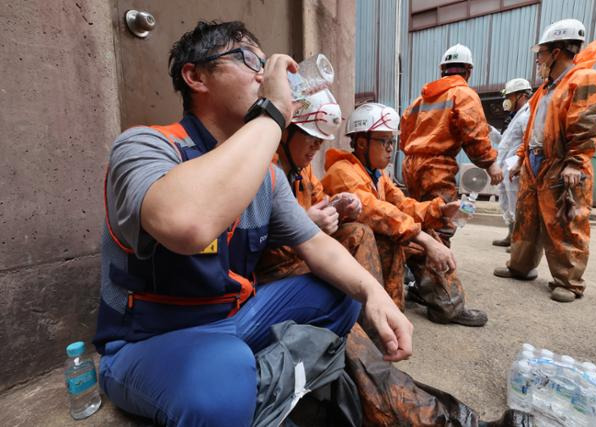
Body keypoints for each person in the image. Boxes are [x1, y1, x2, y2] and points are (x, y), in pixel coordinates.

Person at [92, 20, 412, 426]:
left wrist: (373, 293)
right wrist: (273, 113)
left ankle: (253, 379)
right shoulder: (145, 146)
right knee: (220, 385)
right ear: (195, 76)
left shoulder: (268, 175)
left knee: (342, 292)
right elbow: (186, 224)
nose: (265, 75)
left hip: (235, 320)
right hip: (152, 339)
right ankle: (250, 383)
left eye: (266, 64)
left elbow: (317, 244)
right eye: (247, 60)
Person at [322, 103, 488, 326]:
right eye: (384, 142)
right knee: (391, 239)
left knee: (421, 231)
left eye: (392, 142)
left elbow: (402, 205)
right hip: (349, 250)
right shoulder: (342, 171)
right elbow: (376, 211)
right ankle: (387, 318)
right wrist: (424, 239)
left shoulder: (378, 174)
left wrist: (438, 210)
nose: (391, 148)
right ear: (362, 143)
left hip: (369, 240)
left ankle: (447, 307)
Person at [494, 19, 596, 303]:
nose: (538, 59)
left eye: (542, 52)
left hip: (563, 165)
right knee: (528, 218)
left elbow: (588, 123)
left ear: (557, 51)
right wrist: (521, 160)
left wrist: (575, 161)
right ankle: (521, 266)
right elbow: (532, 131)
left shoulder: (583, 80)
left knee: (565, 221)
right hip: (536, 164)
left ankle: (569, 281)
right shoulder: (546, 89)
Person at [255, 88, 382, 285]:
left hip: (302, 256)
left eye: (321, 140)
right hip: (272, 269)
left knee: (359, 233)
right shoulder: (262, 171)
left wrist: (339, 207)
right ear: (286, 131)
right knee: (342, 276)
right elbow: (250, 237)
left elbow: (320, 202)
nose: (317, 146)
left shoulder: (304, 171)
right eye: (312, 138)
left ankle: (379, 312)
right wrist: (303, 223)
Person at [400, 43, 503, 247]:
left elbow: (404, 133)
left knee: (419, 215)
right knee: (442, 218)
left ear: (442, 70)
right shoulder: (464, 94)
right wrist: (490, 163)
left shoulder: (421, 99)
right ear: (469, 70)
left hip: (410, 165)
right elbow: (473, 132)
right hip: (435, 168)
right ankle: (434, 272)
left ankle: (416, 264)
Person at [492, 78, 532, 249]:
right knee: (506, 201)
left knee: (516, 202)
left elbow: (527, 141)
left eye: (509, 96)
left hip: (514, 166)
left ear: (521, 95)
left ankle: (519, 241)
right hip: (507, 166)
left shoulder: (527, 114)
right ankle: (510, 235)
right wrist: (491, 132)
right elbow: (506, 142)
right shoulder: (515, 116)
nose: (506, 100)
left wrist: (519, 164)